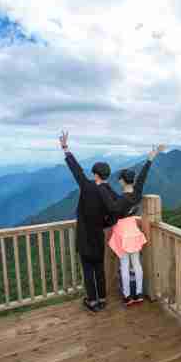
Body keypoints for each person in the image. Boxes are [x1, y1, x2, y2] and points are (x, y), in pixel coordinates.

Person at [98, 145, 165, 306]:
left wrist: (101, 186)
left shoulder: (119, 202)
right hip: (134, 232)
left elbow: (111, 208)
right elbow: (143, 175)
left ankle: (128, 296)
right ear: (133, 181)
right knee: (136, 263)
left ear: (121, 181)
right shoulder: (137, 194)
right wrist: (151, 156)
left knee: (124, 264)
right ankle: (139, 293)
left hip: (121, 232)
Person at [59, 131, 118, 312]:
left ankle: (92, 301)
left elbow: (76, 170)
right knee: (99, 268)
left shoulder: (87, 186)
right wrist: (106, 223)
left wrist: (65, 148)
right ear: (107, 175)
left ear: (95, 174)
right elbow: (117, 212)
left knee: (88, 269)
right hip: (98, 236)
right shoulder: (109, 192)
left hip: (84, 236)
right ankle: (102, 298)